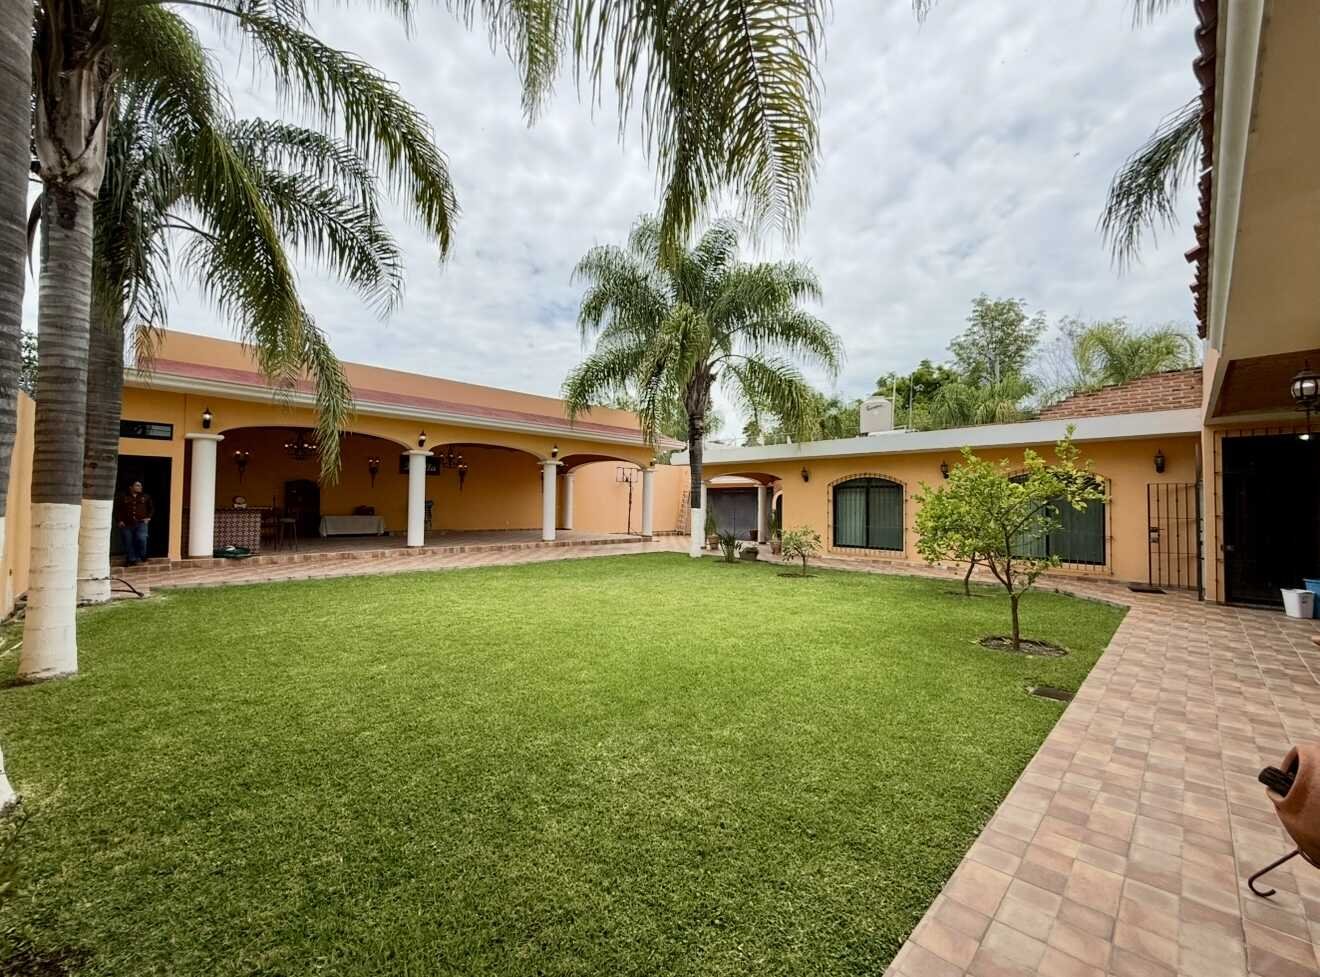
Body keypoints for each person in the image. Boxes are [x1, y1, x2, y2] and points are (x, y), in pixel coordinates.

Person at [116, 480, 154, 566]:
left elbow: (151, 508)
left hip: (141, 523)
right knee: (128, 541)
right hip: (126, 523)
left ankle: (142, 555)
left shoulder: (145, 496)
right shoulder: (123, 496)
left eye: (140, 486)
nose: (140, 487)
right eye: (137, 485)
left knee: (142, 539)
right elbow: (117, 509)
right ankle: (131, 559)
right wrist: (119, 520)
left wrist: (148, 517)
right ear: (131, 487)